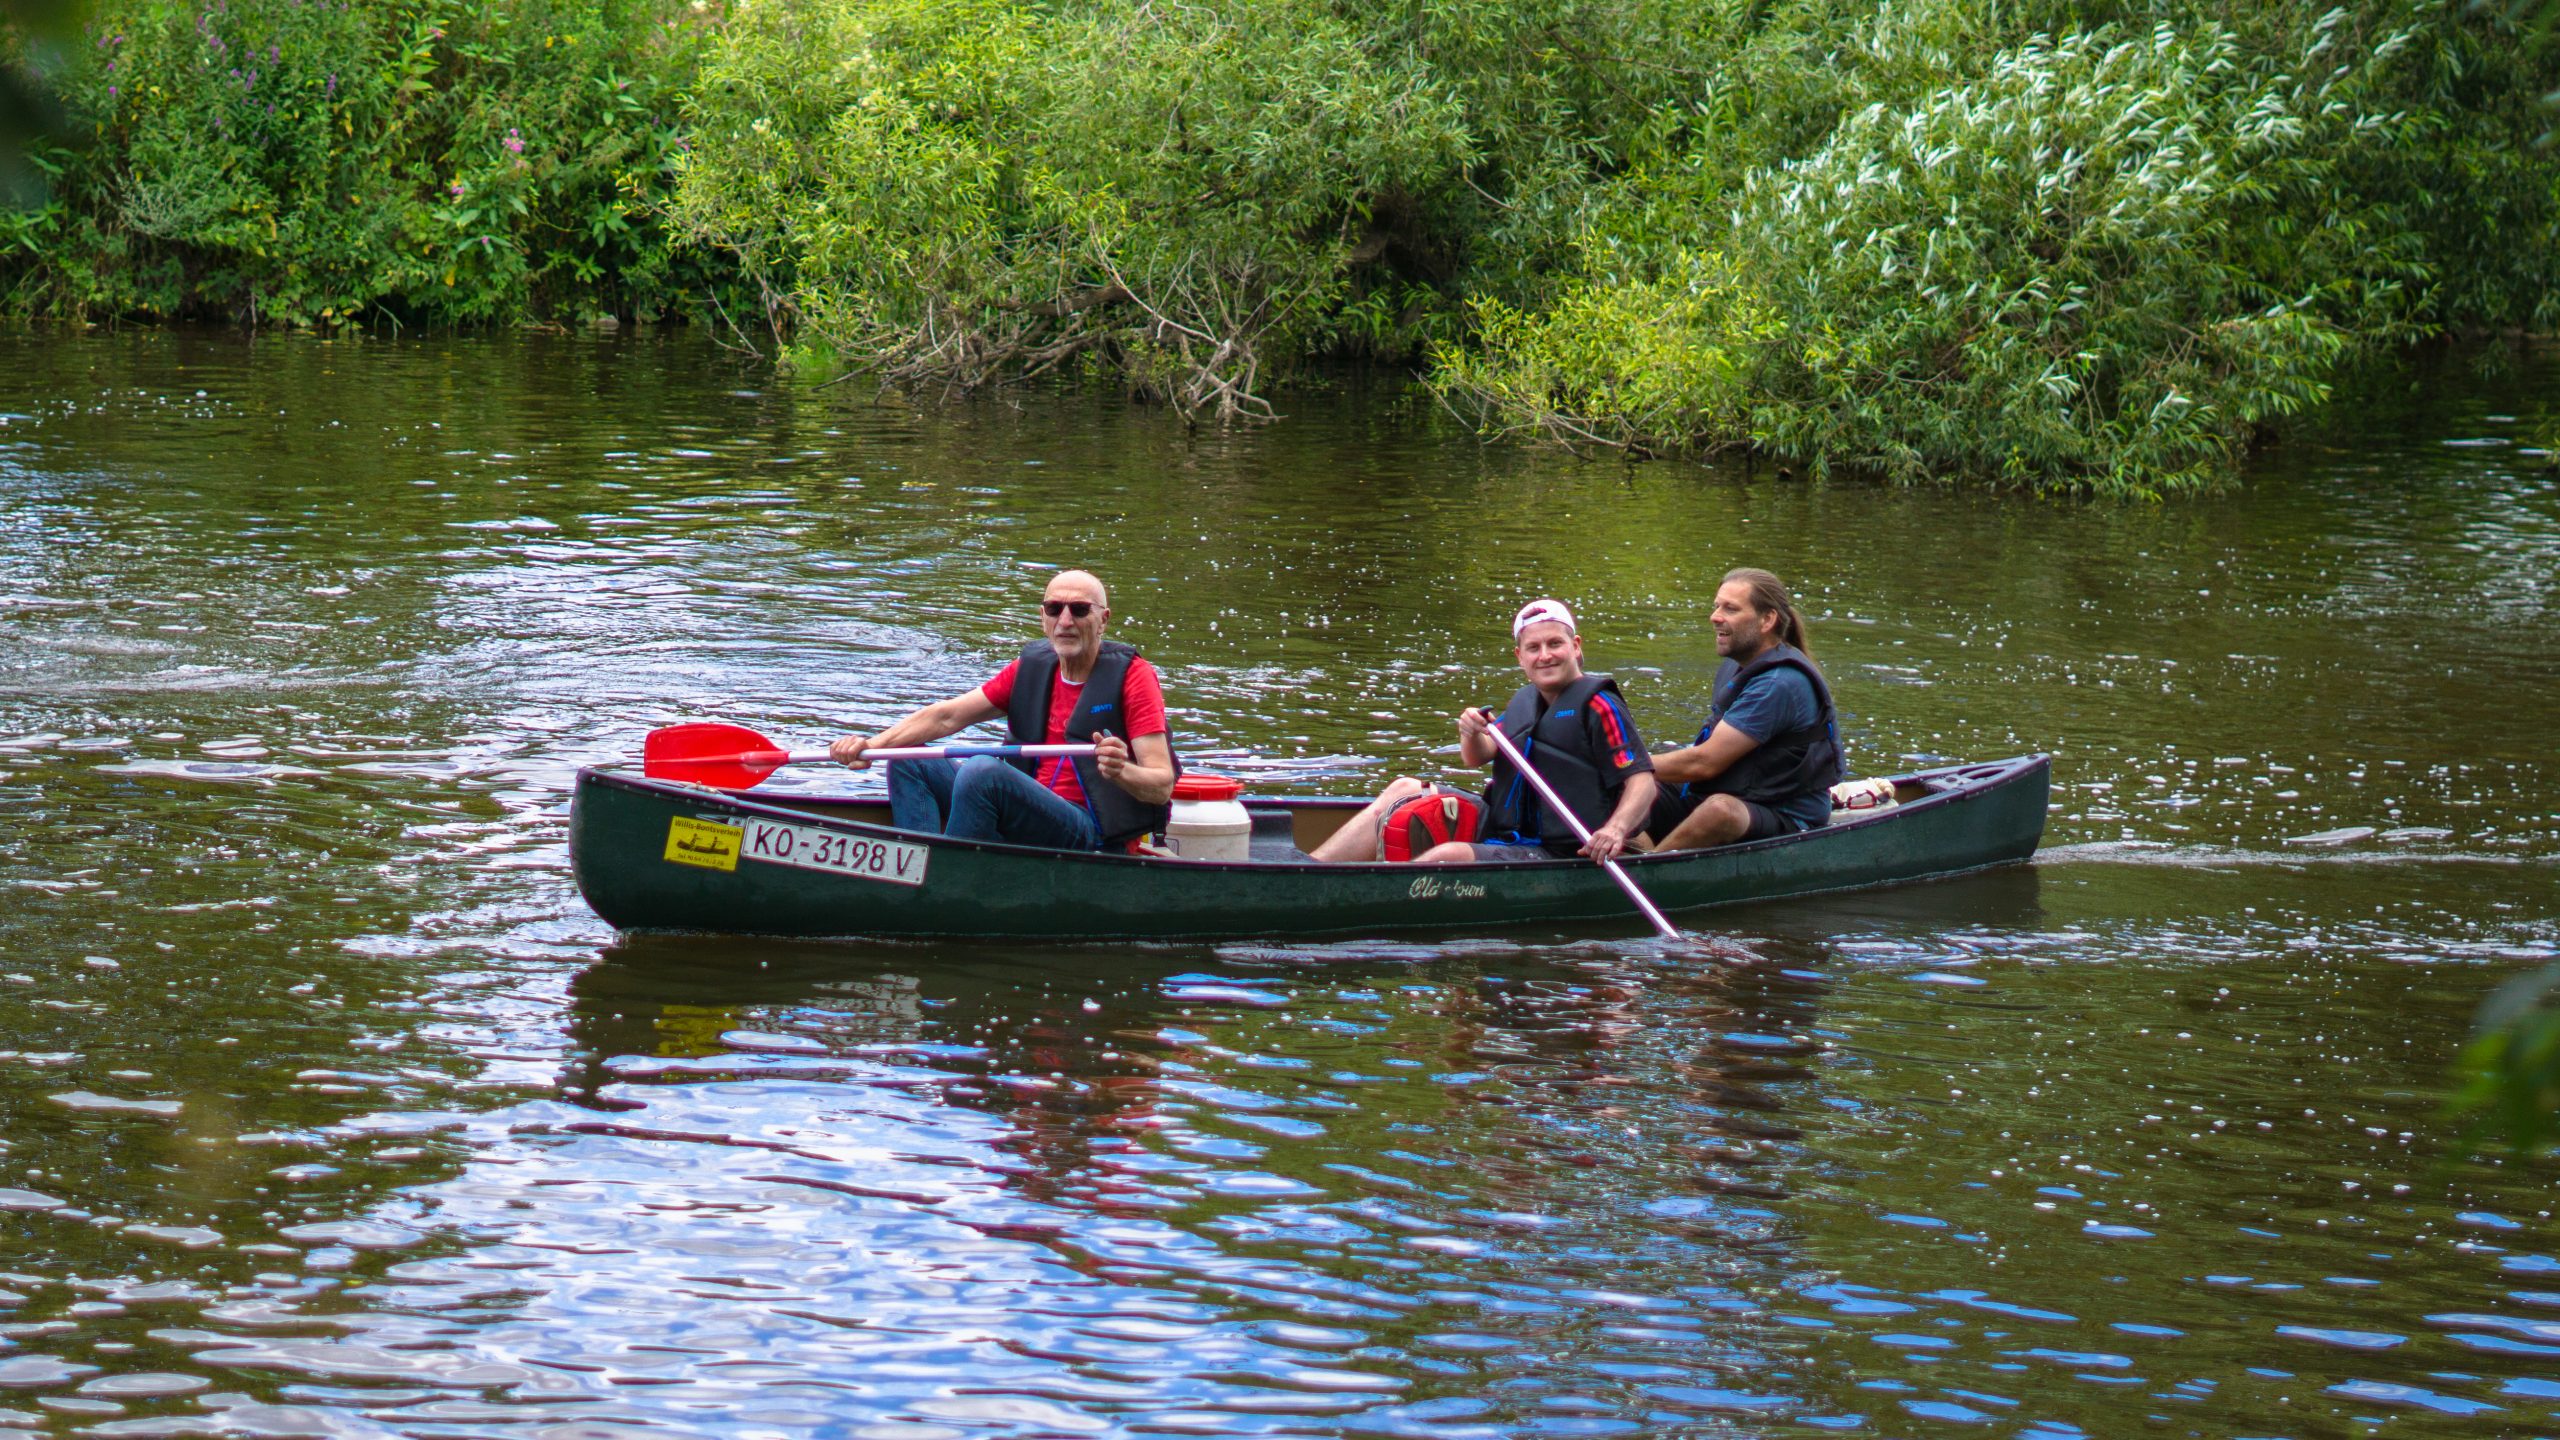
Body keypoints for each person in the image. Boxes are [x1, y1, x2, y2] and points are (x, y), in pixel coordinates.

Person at [828, 570, 1178, 851]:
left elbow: (1161, 785)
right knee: (908, 758)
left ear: (1103, 619)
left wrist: (1121, 771)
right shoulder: (1032, 668)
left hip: (1088, 832)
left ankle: (953, 881)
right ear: (1043, 617)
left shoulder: (1133, 677)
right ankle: (917, 864)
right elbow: (946, 716)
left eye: (1080, 610)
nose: (1066, 621)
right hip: (1030, 815)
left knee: (982, 773)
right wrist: (872, 746)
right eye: (1055, 609)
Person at [1312, 599, 1657, 864]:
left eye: (1555, 644)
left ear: (1576, 646)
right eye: (1534, 648)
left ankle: (1371, 892)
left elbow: (1642, 783)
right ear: (1519, 656)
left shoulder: (1600, 705)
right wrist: (1471, 731)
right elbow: (1475, 756)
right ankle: (1312, 868)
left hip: (1563, 847)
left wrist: (1614, 830)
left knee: (1450, 855)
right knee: (1405, 788)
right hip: (1505, 827)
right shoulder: (1526, 702)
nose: (1545, 656)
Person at [1647, 567, 1842, 850]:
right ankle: (1629, 855)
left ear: (1767, 620)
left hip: (1786, 812)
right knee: (1628, 793)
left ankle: (1649, 870)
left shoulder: (1779, 684)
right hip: (1738, 791)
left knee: (1719, 812)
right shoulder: (1739, 665)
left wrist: (1623, 764)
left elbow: (1705, 763)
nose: (1715, 616)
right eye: (1716, 606)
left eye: (1731, 609)